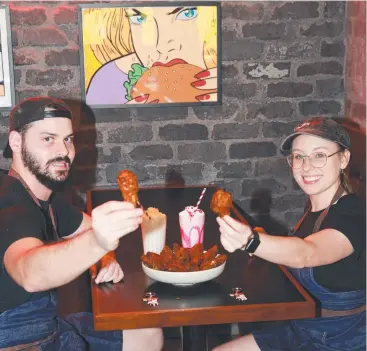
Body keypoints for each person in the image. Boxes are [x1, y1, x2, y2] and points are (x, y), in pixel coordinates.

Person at [0, 96, 163, 350]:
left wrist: (105, 255)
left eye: (68, 139)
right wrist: (98, 242)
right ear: (16, 142)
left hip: (48, 326)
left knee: (147, 334)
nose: (63, 151)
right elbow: (29, 272)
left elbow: (88, 227)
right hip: (18, 341)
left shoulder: (47, 198)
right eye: (48, 139)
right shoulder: (10, 203)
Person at [213, 117, 366, 351]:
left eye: (319, 155)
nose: (306, 166)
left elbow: (308, 253)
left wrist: (252, 241)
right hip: (300, 330)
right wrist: (261, 236)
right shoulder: (314, 209)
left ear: (343, 159)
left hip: (341, 341)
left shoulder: (355, 214)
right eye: (299, 156)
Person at [83, 5, 218, 105]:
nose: (161, 46)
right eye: (139, 18)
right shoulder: (107, 80)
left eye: (187, 14)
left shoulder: (226, 73)